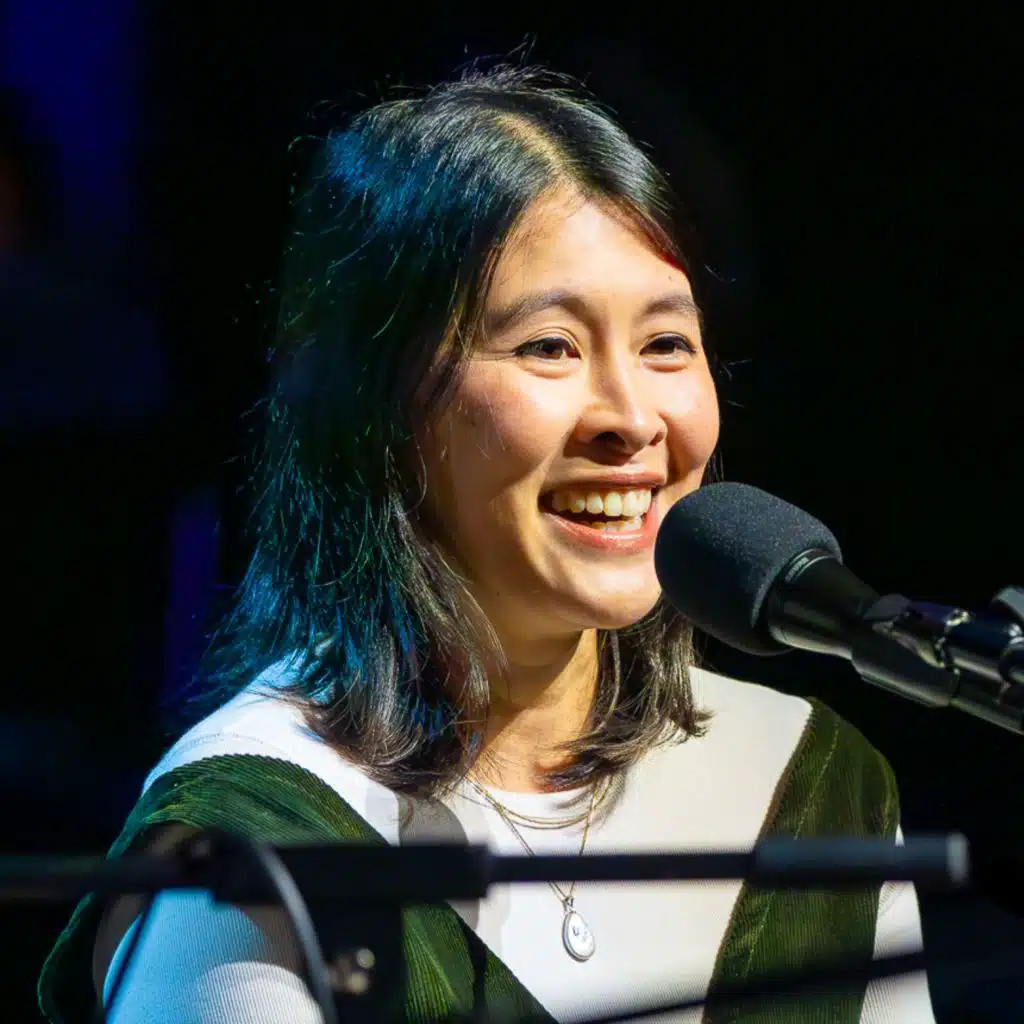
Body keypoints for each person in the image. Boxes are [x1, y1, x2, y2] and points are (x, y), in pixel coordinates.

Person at [38, 64, 934, 1023]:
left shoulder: (809, 777)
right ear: (378, 407)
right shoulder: (265, 833)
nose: (632, 417)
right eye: (548, 345)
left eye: (667, 343)